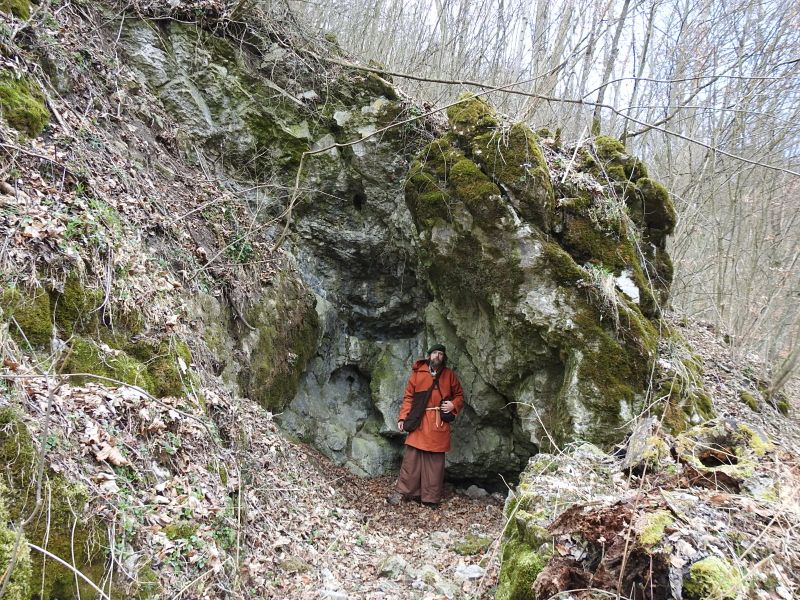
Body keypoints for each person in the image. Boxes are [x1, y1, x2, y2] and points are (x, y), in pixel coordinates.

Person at [387, 344, 464, 507]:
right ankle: (403, 493)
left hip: (438, 423)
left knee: (434, 463)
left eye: (441, 354)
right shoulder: (417, 374)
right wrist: (402, 418)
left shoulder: (449, 375)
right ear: (429, 356)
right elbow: (408, 398)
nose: (438, 356)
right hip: (419, 421)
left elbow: (459, 395)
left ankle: (430, 499)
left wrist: (453, 405)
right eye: (435, 353)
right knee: (411, 459)